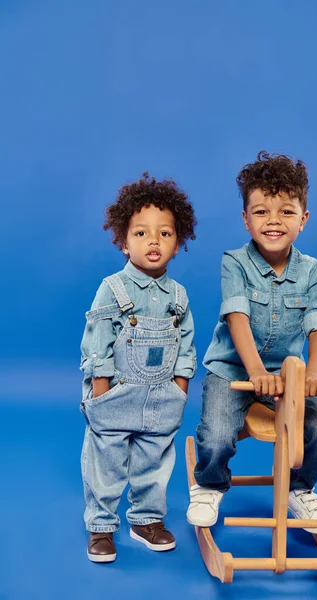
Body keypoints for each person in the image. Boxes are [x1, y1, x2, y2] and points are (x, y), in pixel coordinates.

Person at [187, 151, 317, 532]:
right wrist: (254, 370)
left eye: (286, 212)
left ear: (303, 220)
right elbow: (236, 316)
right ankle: (209, 482)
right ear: (245, 219)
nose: (274, 221)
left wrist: (314, 374)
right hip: (234, 370)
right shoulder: (234, 262)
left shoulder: (311, 271)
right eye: (261, 212)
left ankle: (301, 489)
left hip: (287, 375)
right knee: (219, 431)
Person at [80, 173, 197, 562]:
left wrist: (179, 387)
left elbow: (185, 345)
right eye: (142, 233)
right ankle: (101, 526)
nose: (153, 242)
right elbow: (98, 341)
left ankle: (146, 519)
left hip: (162, 396)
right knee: (107, 461)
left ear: (178, 242)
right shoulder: (112, 288)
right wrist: (102, 389)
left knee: (154, 460)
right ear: (123, 241)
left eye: (164, 234)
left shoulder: (178, 297)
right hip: (116, 391)